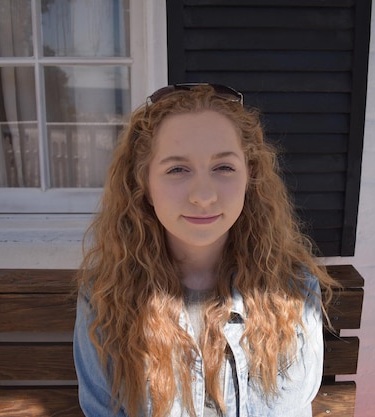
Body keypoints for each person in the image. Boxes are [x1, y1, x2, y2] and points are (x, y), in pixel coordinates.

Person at [73, 83, 338, 417]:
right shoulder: (105, 297)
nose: (203, 195)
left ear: (250, 176)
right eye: (177, 169)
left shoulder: (294, 292)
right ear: (144, 183)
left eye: (223, 167)